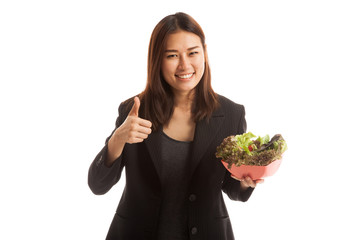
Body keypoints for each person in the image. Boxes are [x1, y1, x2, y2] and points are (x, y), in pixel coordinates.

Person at [88, 12, 263, 240]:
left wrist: (245, 181)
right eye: (172, 55)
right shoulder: (133, 110)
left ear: (205, 54)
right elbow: (97, 185)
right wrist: (118, 139)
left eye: (192, 53)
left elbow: (232, 188)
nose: (184, 65)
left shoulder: (231, 114)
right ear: (157, 60)